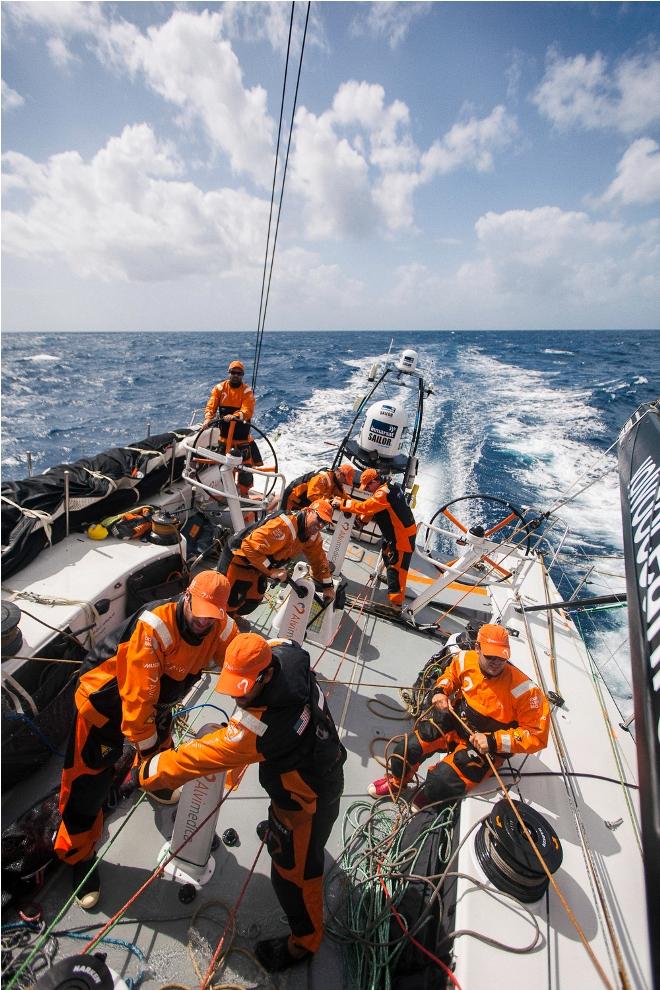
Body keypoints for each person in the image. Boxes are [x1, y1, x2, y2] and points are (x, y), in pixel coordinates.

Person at [137, 632, 346, 972]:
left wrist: (148, 772)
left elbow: (200, 757)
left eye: (243, 687)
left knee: (292, 874)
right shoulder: (285, 653)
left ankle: (304, 941)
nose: (237, 694)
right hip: (321, 760)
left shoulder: (263, 727)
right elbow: (280, 642)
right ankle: (281, 827)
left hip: (308, 800)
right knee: (281, 822)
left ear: (265, 675)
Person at [54, 571, 238, 910]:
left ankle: (156, 783)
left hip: (159, 702)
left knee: (160, 739)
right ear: (186, 596)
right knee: (88, 784)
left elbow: (239, 659)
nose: (202, 621)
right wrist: (153, 753)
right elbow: (137, 704)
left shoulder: (223, 629)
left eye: (211, 616)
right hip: (106, 709)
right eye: (197, 610)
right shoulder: (154, 626)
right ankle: (76, 857)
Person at [368, 624, 550, 807]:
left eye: (502, 658)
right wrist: (440, 690)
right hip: (456, 722)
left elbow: (536, 735)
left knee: (441, 780)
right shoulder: (465, 659)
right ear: (477, 648)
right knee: (407, 748)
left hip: (487, 746)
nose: (496, 663)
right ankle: (397, 782)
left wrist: (494, 741)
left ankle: (427, 802)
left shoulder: (526, 692)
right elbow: (451, 675)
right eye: (490, 657)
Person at [218, 500, 336, 617]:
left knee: (252, 601)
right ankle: (221, 624)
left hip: (259, 566)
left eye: (324, 523)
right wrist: (271, 570)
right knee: (228, 602)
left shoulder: (312, 536)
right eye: (319, 519)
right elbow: (248, 547)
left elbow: (319, 560)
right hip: (239, 559)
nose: (320, 525)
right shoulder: (283, 525)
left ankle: (231, 621)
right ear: (309, 511)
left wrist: (328, 586)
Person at [332, 468, 417, 610]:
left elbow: (366, 507)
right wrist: (362, 521)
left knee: (397, 569)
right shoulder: (389, 488)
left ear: (375, 481)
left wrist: (342, 504)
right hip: (398, 535)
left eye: (368, 486)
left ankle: (396, 605)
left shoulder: (383, 493)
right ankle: (391, 583)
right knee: (386, 553)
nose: (368, 490)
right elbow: (375, 508)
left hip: (402, 539)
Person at [203, 361, 262, 467]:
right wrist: (208, 419)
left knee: (245, 473)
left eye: (239, 373)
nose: (235, 375)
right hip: (224, 438)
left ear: (242, 375)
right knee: (219, 468)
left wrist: (235, 416)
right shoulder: (219, 389)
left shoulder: (247, 391)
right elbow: (211, 407)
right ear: (229, 373)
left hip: (242, 439)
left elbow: (247, 411)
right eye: (233, 372)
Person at [283, 464, 356, 512]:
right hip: (292, 500)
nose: (344, 483)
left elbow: (344, 496)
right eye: (345, 481)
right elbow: (312, 495)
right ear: (340, 474)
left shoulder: (336, 482)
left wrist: (354, 507)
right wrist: (329, 502)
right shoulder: (322, 477)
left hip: (303, 504)